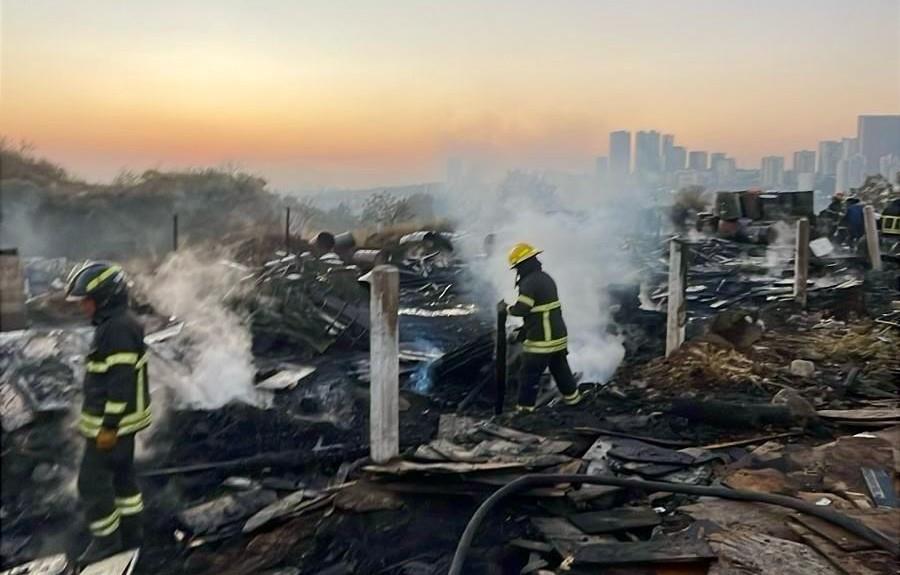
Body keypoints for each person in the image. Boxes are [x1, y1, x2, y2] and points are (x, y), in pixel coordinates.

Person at [65, 262, 151, 564]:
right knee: (123, 478)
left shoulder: (115, 330)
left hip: (113, 426)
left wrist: (109, 427)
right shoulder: (119, 323)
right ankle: (131, 532)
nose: (84, 307)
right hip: (122, 426)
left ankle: (106, 542)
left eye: (87, 300)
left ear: (105, 297)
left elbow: (121, 383)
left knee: (91, 482)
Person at [506, 243, 581, 411]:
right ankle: (574, 402)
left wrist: (506, 309)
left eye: (517, 267)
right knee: (561, 370)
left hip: (542, 341)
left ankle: (525, 411)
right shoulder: (545, 277)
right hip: (558, 336)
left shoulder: (529, 282)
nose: (517, 270)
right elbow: (538, 311)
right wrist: (524, 330)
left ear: (522, 265)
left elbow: (523, 309)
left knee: (529, 374)